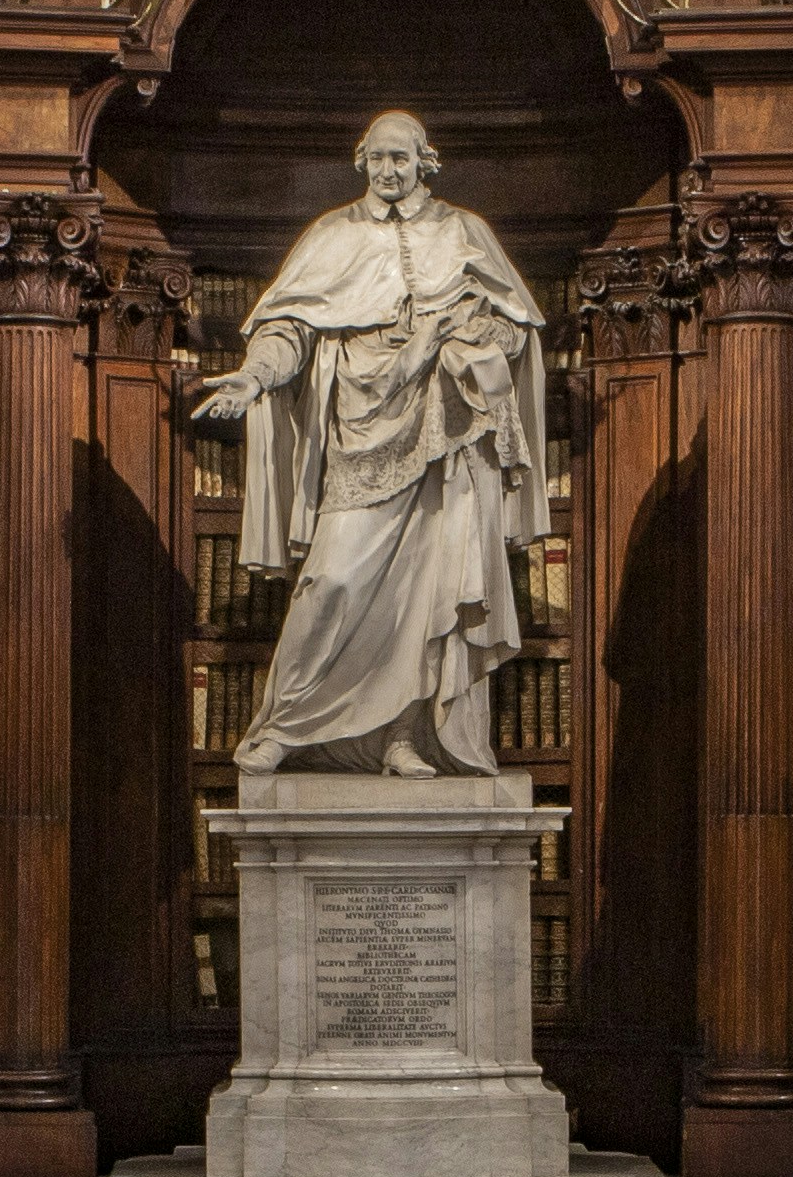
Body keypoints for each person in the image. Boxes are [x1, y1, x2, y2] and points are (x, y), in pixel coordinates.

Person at [188, 109, 550, 775]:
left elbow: (515, 325)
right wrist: (254, 376)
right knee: (331, 578)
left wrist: (472, 344)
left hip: (443, 437)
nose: (389, 170)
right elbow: (291, 326)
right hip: (360, 435)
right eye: (378, 158)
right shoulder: (333, 234)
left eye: (401, 159)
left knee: (431, 593)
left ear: (424, 162)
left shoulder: (463, 231)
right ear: (362, 161)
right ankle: (286, 723)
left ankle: (400, 738)